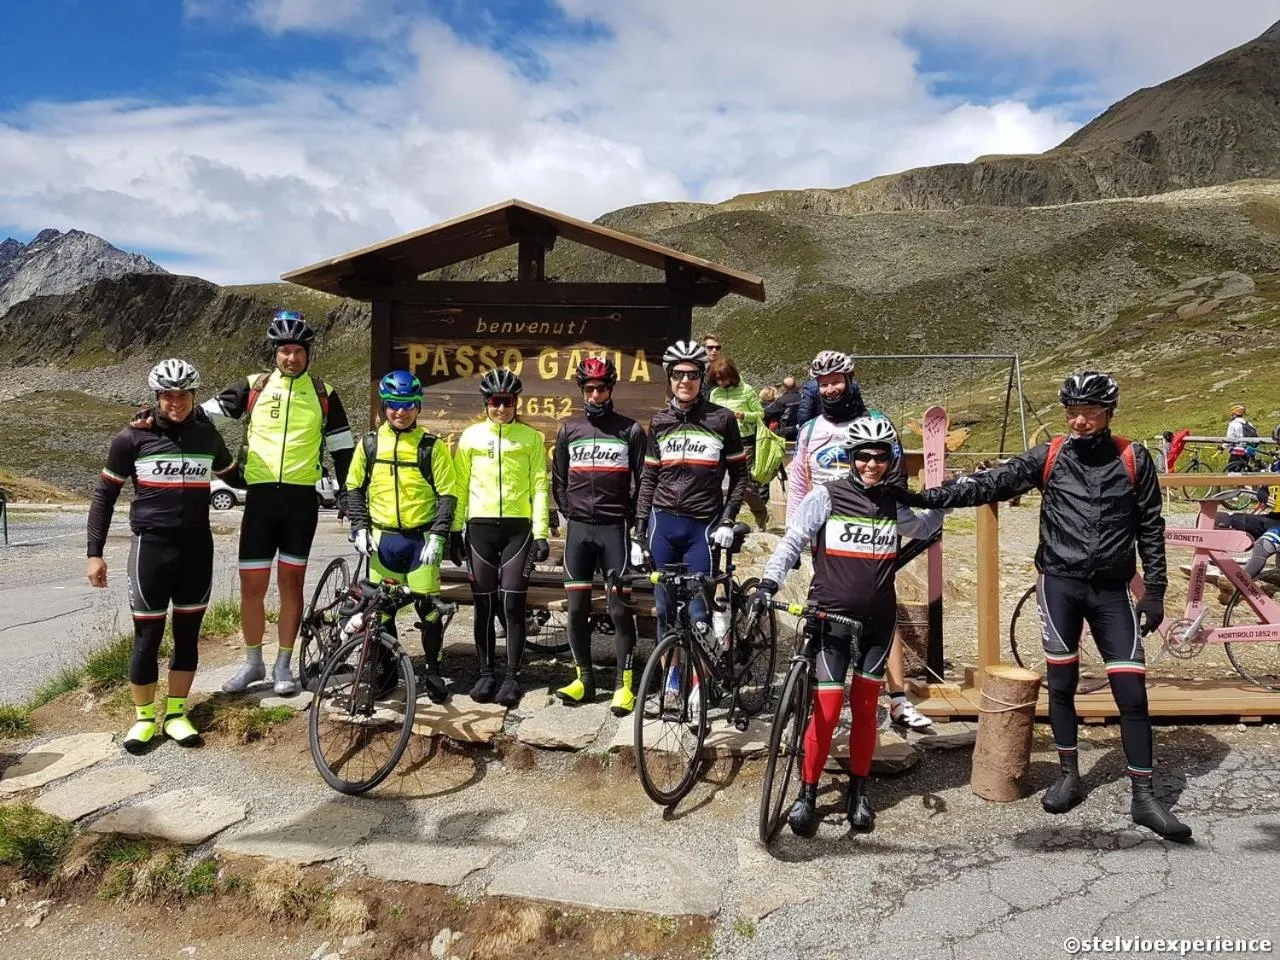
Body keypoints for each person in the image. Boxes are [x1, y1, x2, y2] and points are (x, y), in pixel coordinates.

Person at [891, 371, 1191, 841]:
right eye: (1071, 413)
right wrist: (918, 496)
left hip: (1112, 590)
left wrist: (1155, 591)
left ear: (1108, 413)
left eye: (1089, 413)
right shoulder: (1051, 454)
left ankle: (1145, 796)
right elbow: (990, 483)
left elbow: (1150, 524)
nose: (1078, 422)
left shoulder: (1133, 457)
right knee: (1062, 682)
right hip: (1059, 586)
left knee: (1132, 694)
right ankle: (1069, 776)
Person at [753, 417, 942, 836]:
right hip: (830, 619)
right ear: (851, 458)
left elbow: (927, 527)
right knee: (826, 709)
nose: (872, 464)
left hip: (877, 621)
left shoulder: (894, 503)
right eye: (864, 457)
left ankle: (858, 791)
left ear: (889, 460)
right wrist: (769, 581)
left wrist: (945, 497)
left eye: (880, 457)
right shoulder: (827, 495)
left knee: (864, 711)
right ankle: (807, 792)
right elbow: (793, 541)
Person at [201, 311, 355, 696]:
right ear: (275, 352)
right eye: (284, 350)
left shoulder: (323, 393)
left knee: (291, 585)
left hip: (300, 503)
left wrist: (349, 495)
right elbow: (200, 416)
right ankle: (253, 662)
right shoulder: (254, 386)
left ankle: (284, 665)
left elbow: (343, 450)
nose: (291, 357)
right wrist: (227, 469)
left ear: (308, 353)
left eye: (298, 350)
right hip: (260, 500)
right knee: (251, 587)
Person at [88, 360, 237, 753]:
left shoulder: (207, 436)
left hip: (196, 547)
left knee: (188, 635)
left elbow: (236, 475)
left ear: (193, 395)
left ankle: (176, 714)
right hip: (151, 547)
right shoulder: (131, 439)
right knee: (147, 637)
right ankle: (142, 719)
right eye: (168, 395)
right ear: (157, 397)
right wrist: (94, 553)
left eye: (183, 394)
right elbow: (105, 497)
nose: (176, 402)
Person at [787, 350, 931, 730]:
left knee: (882, 605)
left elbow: (897, 475)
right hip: (826, 525)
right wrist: (794, 535)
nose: (831, 387)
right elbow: (800, 482)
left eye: (837, 380)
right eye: (823, 382)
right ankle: (822, 697)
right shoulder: (810, 429)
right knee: (824, 606)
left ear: (851, 378)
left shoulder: (877, 421)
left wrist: (897, 516)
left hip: (873, 521)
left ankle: (898, 698)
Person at [344, 371, 457, 704]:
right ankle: (387, 673)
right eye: (394, 405)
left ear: (417, 407)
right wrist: (359, 527)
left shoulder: (431, 447)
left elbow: (448, 495)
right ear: (384, 406)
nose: (400, 412)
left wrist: (438, 535)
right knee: (383, 613)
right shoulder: (369, 444)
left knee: (429, 609)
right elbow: (354, 488)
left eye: (408, 405)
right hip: (384, 543)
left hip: (420, 542)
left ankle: (434, 671)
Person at [551, 357, 647, 714]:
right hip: (579, 530)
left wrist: (633, 520)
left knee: (619, 609)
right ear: (582, 391)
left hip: (614, 530)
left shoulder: (631, 430)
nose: (595, 394)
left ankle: (624, 685)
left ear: (611, 388)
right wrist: (569, 510)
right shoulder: (569, 430)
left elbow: (644, 481)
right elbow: (558, 480)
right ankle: (584, 680)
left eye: (601, 388)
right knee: (576, 609)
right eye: (589, 388)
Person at [635, 341, 748, 638]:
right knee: (666, 612)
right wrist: (638, 532)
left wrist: (727, 518)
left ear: (702, 377)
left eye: (693, 374)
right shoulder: (659, 422)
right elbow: (648, 480)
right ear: (670, 378)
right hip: (663, 525)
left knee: (699, 613)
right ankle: (671, 683)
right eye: (678, 374)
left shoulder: (721, 419)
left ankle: (700, 684)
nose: (685, 380)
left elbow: (739, 476)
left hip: (703, 526)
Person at [451, 368, 549, 707]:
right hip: (479, 528)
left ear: (516, 402)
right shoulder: (471, 437)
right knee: (484, 604)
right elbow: (459, 486)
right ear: (486, 403)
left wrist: (540, 531)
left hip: (517, 531)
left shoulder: (531, 438)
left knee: (512, 603)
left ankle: (511, 677)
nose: (501, 408)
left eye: (507, 401)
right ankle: (486, 673)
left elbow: (539, 486)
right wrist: (453, 529)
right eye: (495, 402)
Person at [709, 357, 770, 530]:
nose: (721, 382)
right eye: (718, 379)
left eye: (724, 378)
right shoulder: (714, 394)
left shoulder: (747, 390)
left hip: (745, 441)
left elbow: (761, 413)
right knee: (716, 479)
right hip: (720, 440)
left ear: (732, 375)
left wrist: (744, 415)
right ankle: (722, 518)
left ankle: (760, 512)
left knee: (744, 482)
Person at [1224, 403, 1258, 470]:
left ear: (1234, 415)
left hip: (1237, 451)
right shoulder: (1249, 424)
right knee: (1245, 471)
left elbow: (1229, 440)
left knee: (1232, 472)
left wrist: (1222, 447)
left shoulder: (1233, 424)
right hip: (1248, 451)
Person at [774, 376, 802, 440]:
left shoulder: (781, 400)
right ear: (795, 385)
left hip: (785, 430)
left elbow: (769, 412)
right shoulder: (803, 397)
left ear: (784, 387)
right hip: (801, 428)